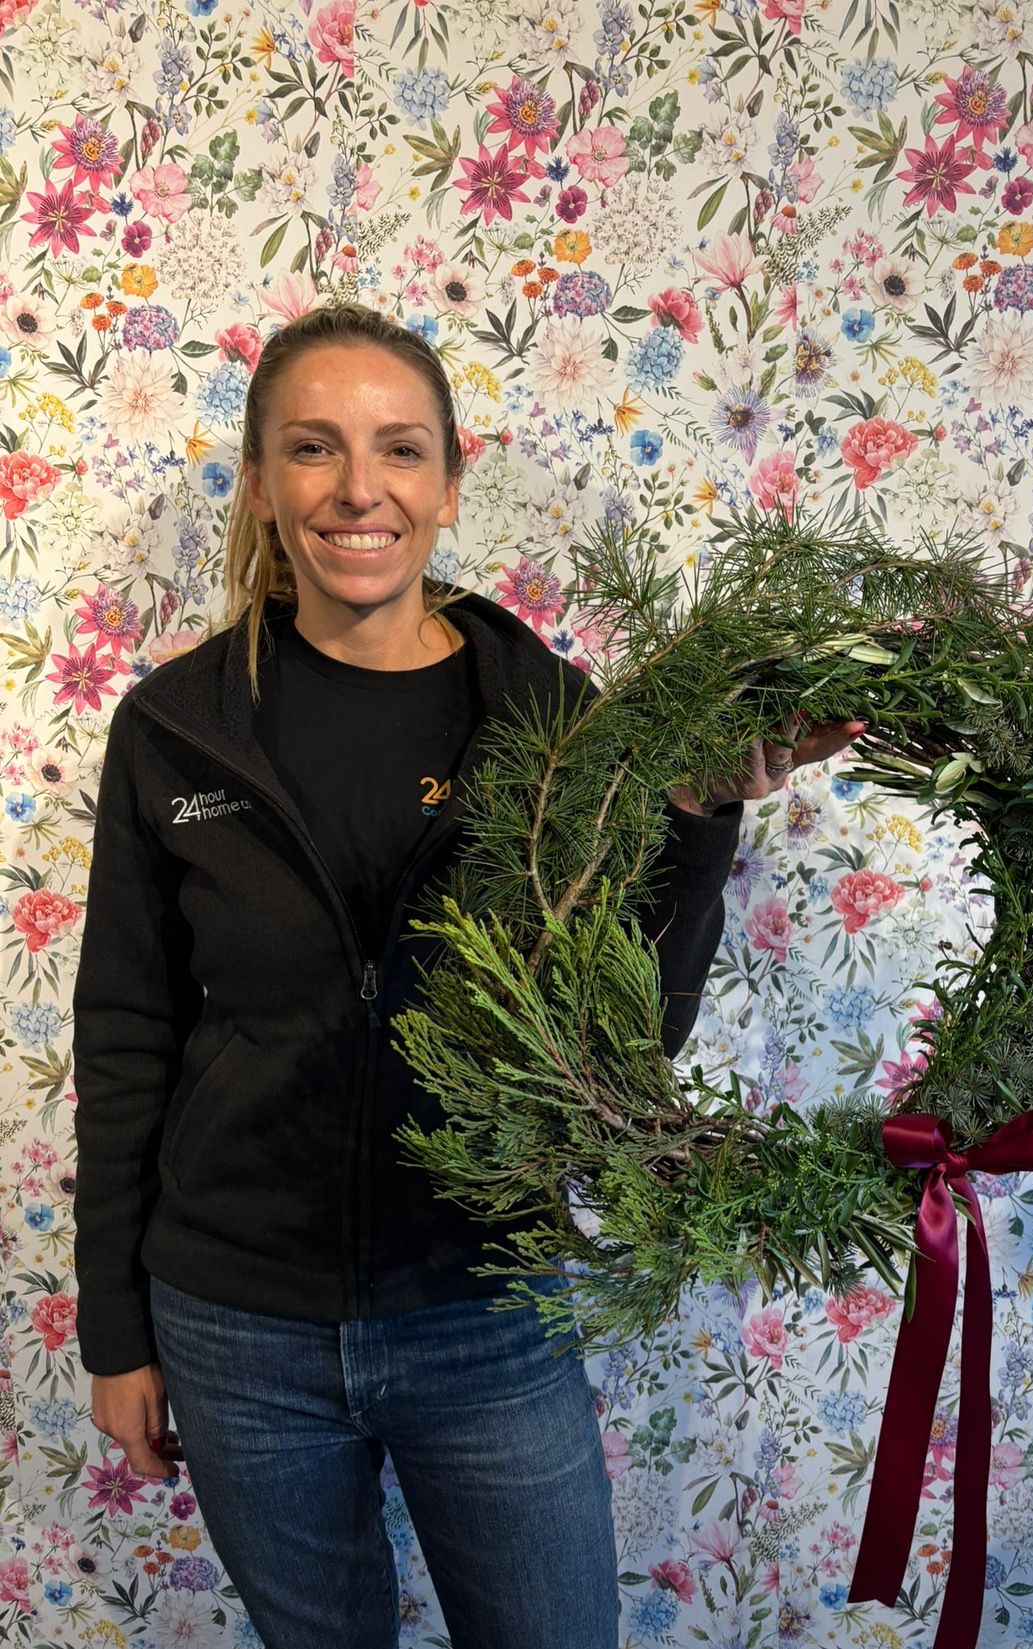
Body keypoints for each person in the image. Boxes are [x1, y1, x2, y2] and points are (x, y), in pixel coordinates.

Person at [71, 301, 865, 1649]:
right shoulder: (174, 729)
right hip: (234, 1323)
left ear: (449, 479)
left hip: (485, 1308)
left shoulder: (553, 722)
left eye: (399, 448)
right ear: (260, 484)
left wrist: (697, 814)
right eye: (312, 448)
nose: (358, 488)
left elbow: (628, 1038)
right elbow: (127, 1033)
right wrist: (116, 1329)